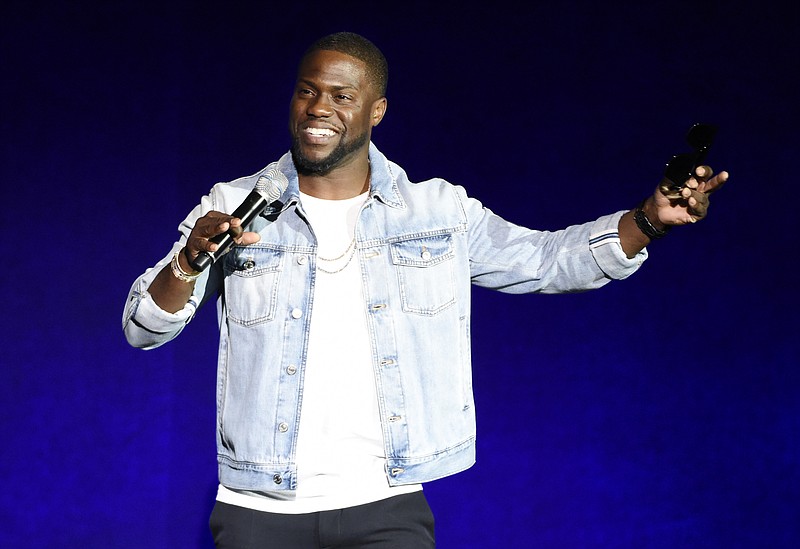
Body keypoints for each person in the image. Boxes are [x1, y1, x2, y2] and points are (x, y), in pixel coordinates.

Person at [123, 32, 728, 548]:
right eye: (307, 90)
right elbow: (142, 327)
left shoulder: (436, 211)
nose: (318, 108)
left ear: (375, 111)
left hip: (384, 505)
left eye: (341, 95)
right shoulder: (233, 205)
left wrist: (647, 220)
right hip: (258, 509)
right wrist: (189, 260)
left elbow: (546, 260)